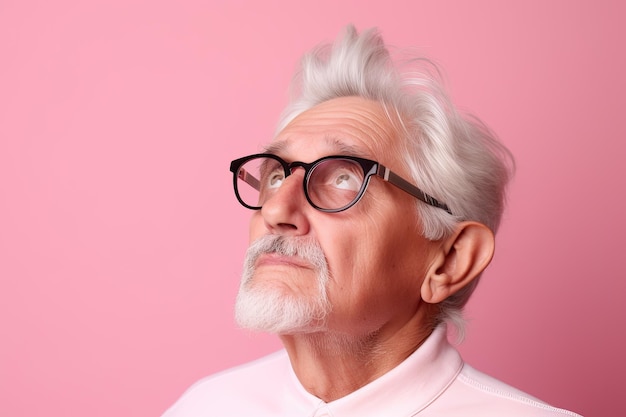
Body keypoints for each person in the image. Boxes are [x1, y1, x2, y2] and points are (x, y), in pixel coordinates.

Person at [163, 26, 582, 417]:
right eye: (275, 175)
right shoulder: (203, 406)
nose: (276, 212)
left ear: (451, 259)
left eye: (344, 177)